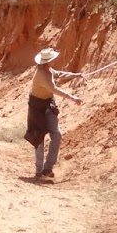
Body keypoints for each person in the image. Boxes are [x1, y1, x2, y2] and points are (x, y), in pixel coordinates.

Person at [25, 47, 81, 180]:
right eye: (52, 59)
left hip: (48, 105)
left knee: (56, 134)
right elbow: (54, 89)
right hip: (36, 107)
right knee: (39, 137)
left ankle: (48, 167)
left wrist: (75, 75)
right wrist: (72, 98)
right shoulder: (41, 75)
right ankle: (39, 169)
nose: (55, 60)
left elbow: (58, 74)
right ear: (46, 62)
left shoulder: (48, 70)